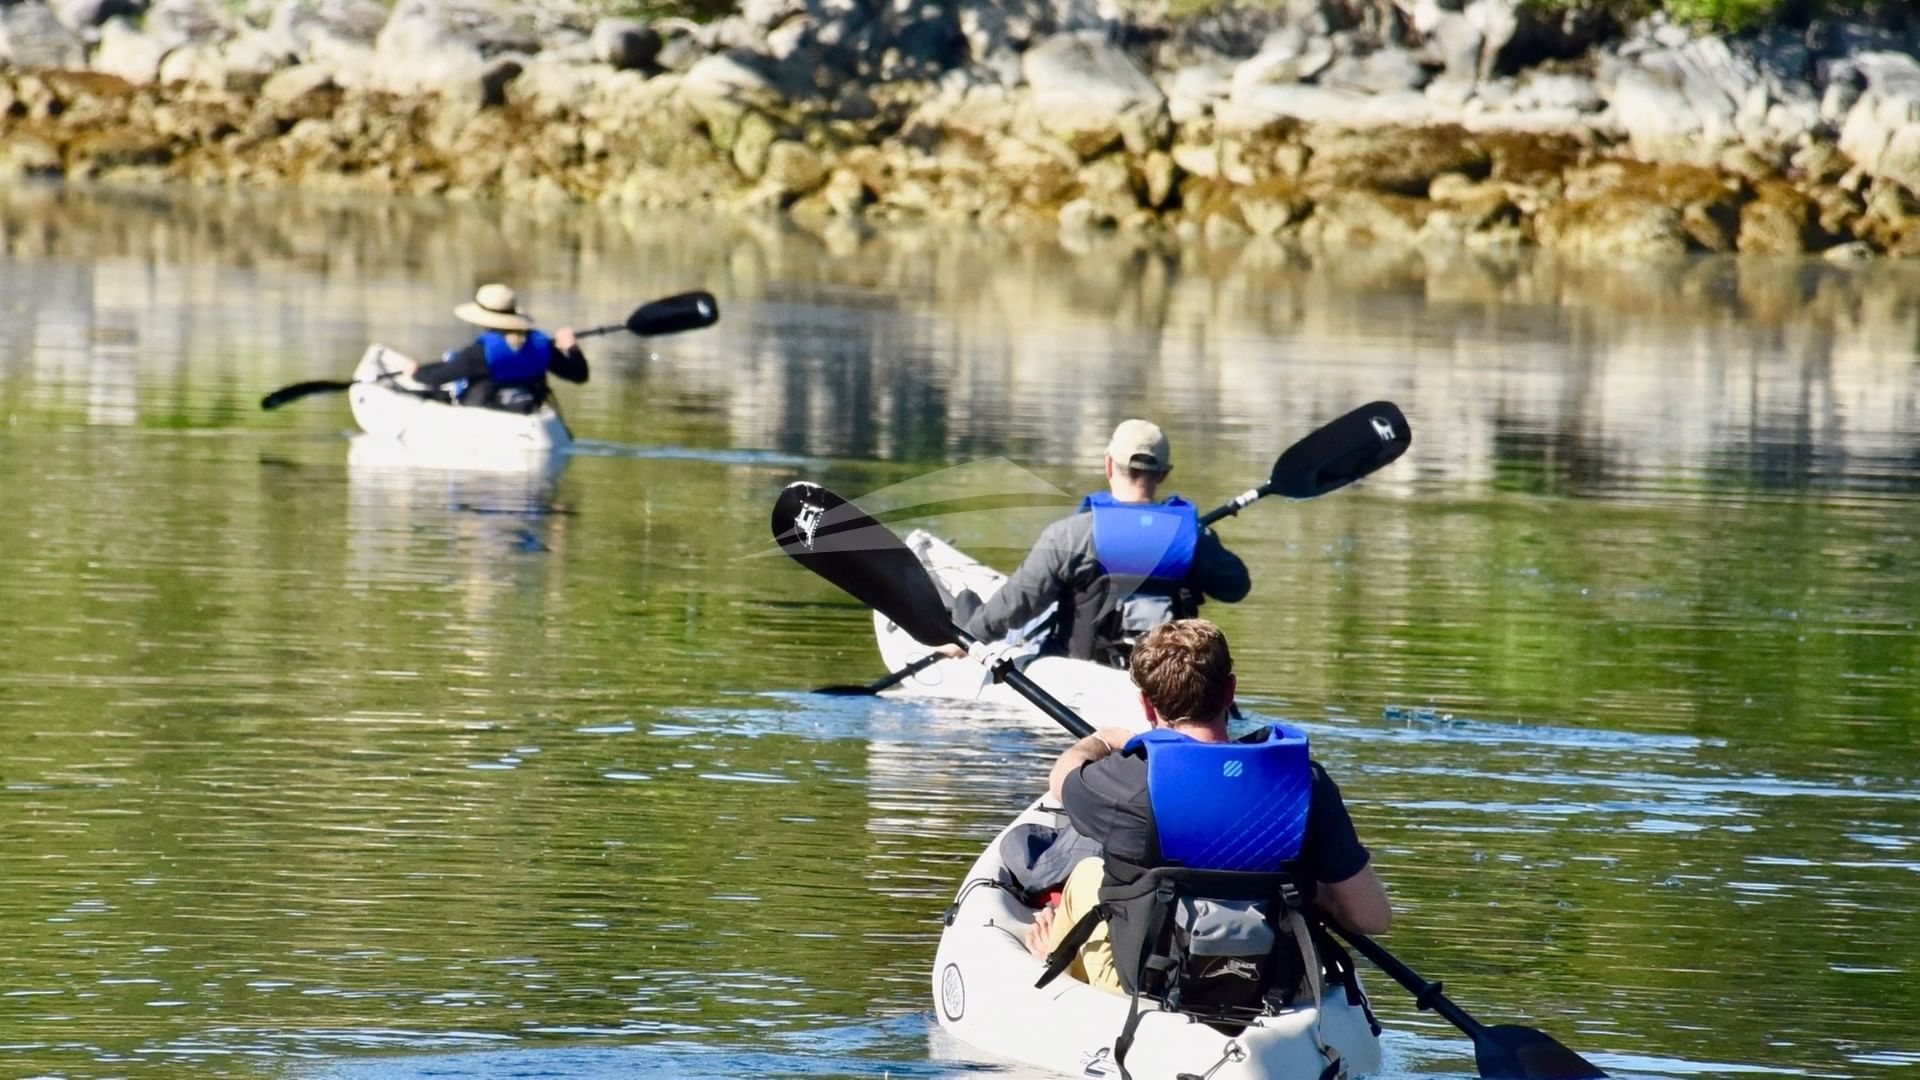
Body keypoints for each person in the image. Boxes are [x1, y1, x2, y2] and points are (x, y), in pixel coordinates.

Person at [1026, 618, 1391, 997]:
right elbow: (1371, 917)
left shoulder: (1128, 780)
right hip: (1272, 988)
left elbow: (1061, 780)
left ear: (1146, 705)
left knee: (1087, 874)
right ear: (1230, 691)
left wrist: (1103, 740)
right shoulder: (1304, 783)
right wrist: (1312, 890)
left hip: (1151, 983)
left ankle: (1052, 960)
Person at [945, 420, 1249, 668]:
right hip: (1168, 679)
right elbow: (1236, 587)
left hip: (1078, 674)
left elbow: (1016, 605)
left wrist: (968, 638)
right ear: (1163, 474)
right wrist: (1200, 538)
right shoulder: (1191, 536)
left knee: (964, 604)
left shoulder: (1070, 535)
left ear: (1108, 465)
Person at [400, 283, 589, 413]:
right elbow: (579, 374)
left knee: (429, 394)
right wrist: (571, 347)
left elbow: (439, 377)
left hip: (484, 408)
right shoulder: (542, 346)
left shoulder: (478, 353)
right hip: (527, 409)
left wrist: (415, 372)